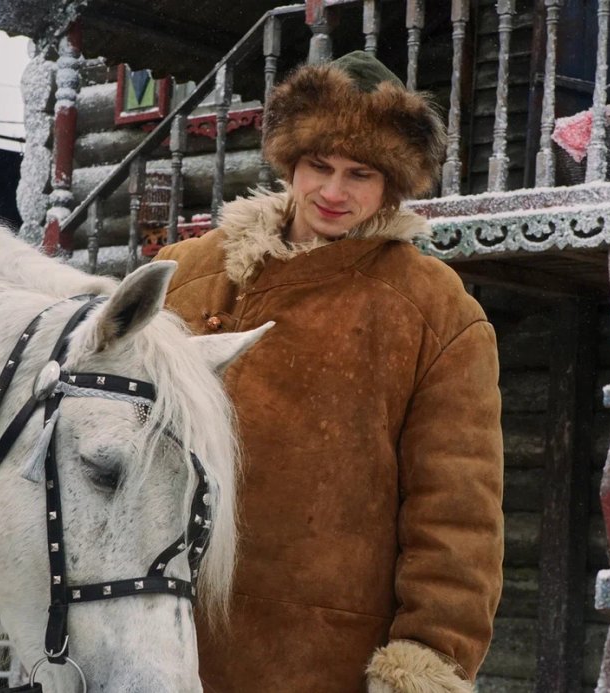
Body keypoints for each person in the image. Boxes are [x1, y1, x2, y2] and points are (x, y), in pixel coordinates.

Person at [156, 51, 503, 693]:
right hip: (162, 639)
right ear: (290, 162)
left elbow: (457, 512)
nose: (334, 192)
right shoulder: (187, 275)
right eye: (319, 165)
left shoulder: (436, 310)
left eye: (360, 174)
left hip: (319, 658)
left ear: (391, 185)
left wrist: (428, 656)